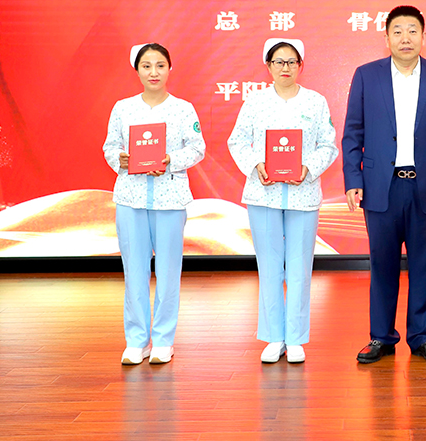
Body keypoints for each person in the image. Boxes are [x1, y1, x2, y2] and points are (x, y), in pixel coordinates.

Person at [342, 5, 426, 365]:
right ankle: (381, 336)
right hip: (381, 185)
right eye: (397, 31)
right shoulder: (367, 75)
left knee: (424, 263)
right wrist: (353, 179)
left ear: (424, 36)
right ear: (386, 38)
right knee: (382, 264)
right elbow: (353, 132)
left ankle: (423, 336)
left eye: (412, 30)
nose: (405, 38)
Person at [228, 38, 338, 364]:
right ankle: (274, 337)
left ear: (300, 65)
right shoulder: (255, 102)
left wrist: (308, 168)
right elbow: (237, 141)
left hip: (303, 195)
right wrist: (255, 165)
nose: (285, 67)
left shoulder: (316, 102)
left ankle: (296, 337)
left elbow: (328, 145)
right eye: (279, 61)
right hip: (263, 195)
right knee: (270, 267)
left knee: (300, 269)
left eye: (291, 61)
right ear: (269, 66)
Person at [103, 43, 206, 365]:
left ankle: (163, 341)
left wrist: (170, 159)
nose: (154, 72)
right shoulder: (123, 108)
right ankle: (136, 341)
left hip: (170, 199)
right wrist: (119, 159)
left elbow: (197, 148)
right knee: (134, 271)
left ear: (170, 69)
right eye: (146, 66)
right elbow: (109, 147)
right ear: (137, 70)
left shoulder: (183, 109)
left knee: (168, 271)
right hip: (130, 198)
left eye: (160, 65)